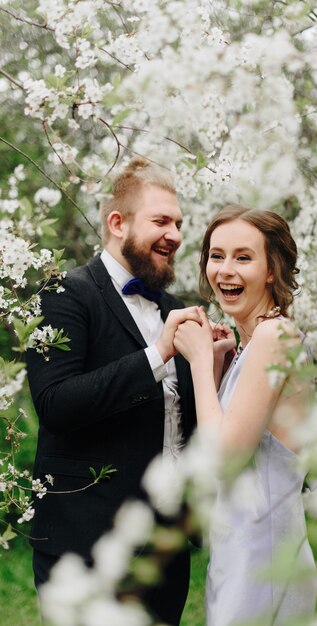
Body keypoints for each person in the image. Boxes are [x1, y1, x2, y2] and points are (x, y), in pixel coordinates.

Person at [25, 156, 201, 625]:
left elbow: (183, 423)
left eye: (180, 223)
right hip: (84, 546)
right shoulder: (63, 293)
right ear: (117, 223)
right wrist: (157, 354)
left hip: (164, 550)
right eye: (161, 221)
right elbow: (56, 404)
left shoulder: (175, 309)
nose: (177, 235)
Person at [173, 204, 317, 625]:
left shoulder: (277, 335)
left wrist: (199, 361)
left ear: (271, 270)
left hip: (264, 557)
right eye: (216, 256)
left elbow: (227, 458)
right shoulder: (252, 347)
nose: (225, 270)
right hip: (238, 554)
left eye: (243, 257)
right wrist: (217, 366)